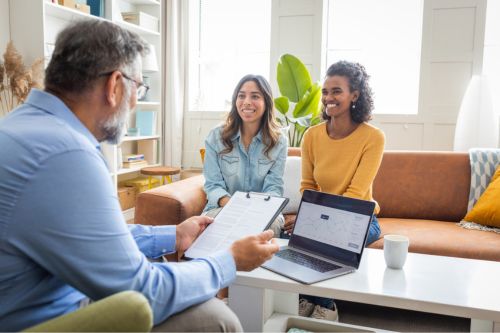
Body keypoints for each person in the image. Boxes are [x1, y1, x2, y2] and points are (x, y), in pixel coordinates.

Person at [0, 20, 279, 332]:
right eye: (139, 88)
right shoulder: (66, 153)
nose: (135, 102)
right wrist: (229, 261)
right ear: (115, 85)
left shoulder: (23, 125)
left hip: (40, 297)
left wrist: (173, 235)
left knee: (167, 268)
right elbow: (143, 291)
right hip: (41, 322)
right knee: (217, 320)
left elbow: (95, 239)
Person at [284, 60, 385, 321]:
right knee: (287, 240)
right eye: (326, 92)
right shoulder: (312, 136)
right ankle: (304, 298)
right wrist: (308, 220)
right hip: (321, 216)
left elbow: (355, 193)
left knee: (327, 241)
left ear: (355, 95)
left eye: (336, 91)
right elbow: (307, 187)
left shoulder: (373, 138)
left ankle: (325, 306)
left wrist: (317, 225)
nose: (328, 98)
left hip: (361, 219)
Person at [203, 74, 288, 236]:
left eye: (255, 96)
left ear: (266, 102)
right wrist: (236, 207)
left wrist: (253, 211)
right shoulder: (216, 136)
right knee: (215, 226)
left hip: (262, 210)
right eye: (241, 96)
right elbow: (213, 185)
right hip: (223, 207)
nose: (247, 102)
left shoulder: (279, 142)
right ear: (235, 101)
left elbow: (274, 188)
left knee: (272, 225)